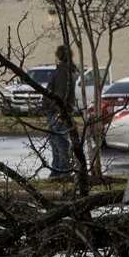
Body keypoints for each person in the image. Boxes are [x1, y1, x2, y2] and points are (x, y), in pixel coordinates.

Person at [47, 44, 77, 178]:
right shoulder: (67, 70)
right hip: (60, 112)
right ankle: (57, 170)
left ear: (59, 56)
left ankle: (61, 171)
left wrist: (59, 112)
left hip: (58, 113)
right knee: (57, 141)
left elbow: (60, 94)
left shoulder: (62, 72)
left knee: (59, 142)